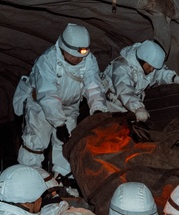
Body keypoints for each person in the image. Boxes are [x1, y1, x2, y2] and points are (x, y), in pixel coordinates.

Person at [14, 23, 108, 183]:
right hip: (41, 106)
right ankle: (27, 180)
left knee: (67, 145)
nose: (77, 59)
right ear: (63, 47)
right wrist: (59, 124)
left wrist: (98, 108)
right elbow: (48, 94)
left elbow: (93, 86)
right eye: (73, 55)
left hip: (69, 108)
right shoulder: (47, 61)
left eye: (81, 55)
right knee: (36, 142)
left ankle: (63, 180)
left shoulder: (89, 61)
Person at [101, 40, 179, 123]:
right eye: (150, 66)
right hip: (110, 107)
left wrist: (173, 78)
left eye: (154, 67)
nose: (152, 69)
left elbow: (159, 72)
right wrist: (138, 107)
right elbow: (124, 89)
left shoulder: (148, 65)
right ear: (142, 60)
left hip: (129, 106)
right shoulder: (121, 67)